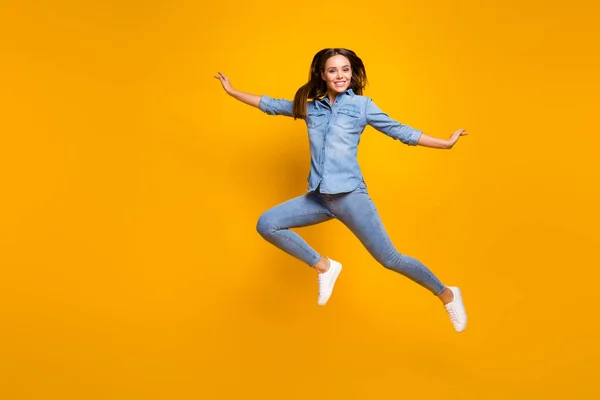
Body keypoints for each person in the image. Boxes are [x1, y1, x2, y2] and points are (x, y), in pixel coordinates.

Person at [214, 48, 468, 332]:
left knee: (390, 259)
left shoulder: (362, 106)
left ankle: (447, 294)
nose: (340, 75)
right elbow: (272, 104)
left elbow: (401, 131)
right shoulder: (312, 108)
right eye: (333, 70)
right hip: (319, 197)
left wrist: (445, 143)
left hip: (350, 197)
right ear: (322, 75)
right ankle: (324, 266)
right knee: (268, 224)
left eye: (345, 69)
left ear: (352, 73)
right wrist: (233, 92)